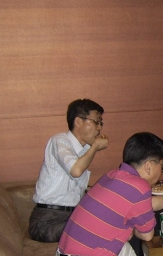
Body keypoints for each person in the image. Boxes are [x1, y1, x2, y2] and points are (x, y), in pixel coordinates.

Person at [29, 99, 109, 243]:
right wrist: (95, 146)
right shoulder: (59, 140)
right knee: (97, 230)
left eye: (100, 123)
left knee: (113, 221)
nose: (99, 128)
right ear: (78, 121)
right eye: (96, 122)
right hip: (47, 221)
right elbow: (76, 171)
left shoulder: (84, 150)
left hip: (70, 217)